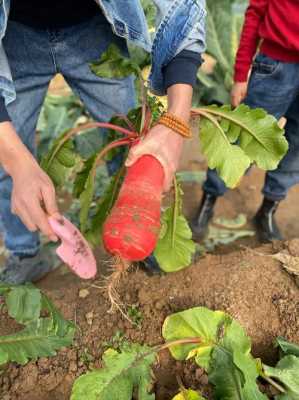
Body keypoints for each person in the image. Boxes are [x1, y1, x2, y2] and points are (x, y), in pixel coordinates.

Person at [0, 0, 206, 283]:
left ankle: (139, 242)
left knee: (131, 147)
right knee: (9, 163)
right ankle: (24, 252)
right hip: (14, 37)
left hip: (92, 30)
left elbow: (184, 7)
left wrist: (177, 116)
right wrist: (15, 159)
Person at [191, 0, 299, 243]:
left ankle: (268, 210)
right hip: (276, 65)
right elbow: (255, 12)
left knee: (297, 148)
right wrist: (241, 74)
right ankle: (208, 200)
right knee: (242, 140)